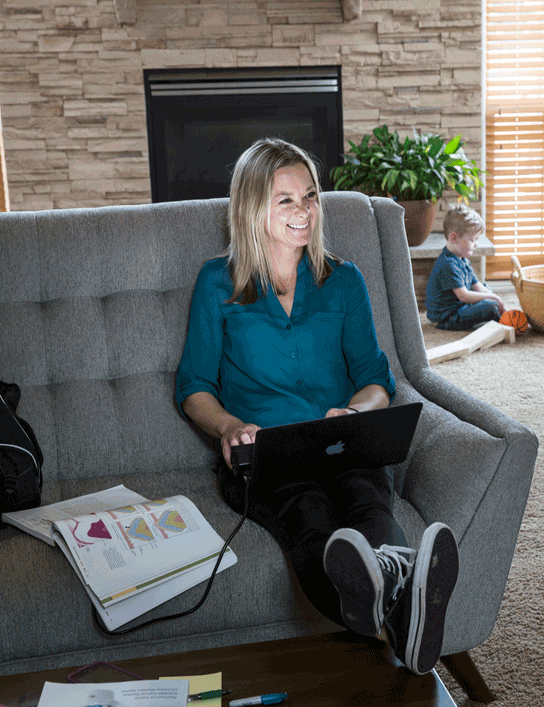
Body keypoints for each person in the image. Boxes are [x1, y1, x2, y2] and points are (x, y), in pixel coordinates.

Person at [175, 137, 459, 675]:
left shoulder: (344, 280)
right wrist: (230, 425)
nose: (304, 211)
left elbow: (376, 380)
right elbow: (193, 387)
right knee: (310, 520)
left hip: (342, 441)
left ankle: (388, 599)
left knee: (369, 505)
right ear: (251, 208)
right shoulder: (218, 283)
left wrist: (356, 412)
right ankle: (404, 610)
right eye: (286, 200)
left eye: (310, 195)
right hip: (268, 454)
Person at [425, 204, 506, 330]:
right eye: (473, 240)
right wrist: (493, 298)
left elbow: (477, 286)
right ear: (454, 238)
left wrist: (496, 299)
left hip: (460, 305)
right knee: (491, 307)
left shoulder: (463, 259)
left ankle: (497, 311)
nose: (476, 245)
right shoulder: (447, 264)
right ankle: (501, 317)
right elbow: (464, 296)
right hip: (447, 317)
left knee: (486, 288)